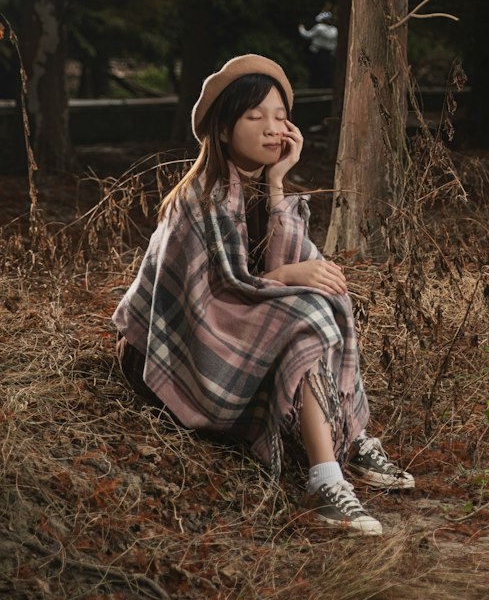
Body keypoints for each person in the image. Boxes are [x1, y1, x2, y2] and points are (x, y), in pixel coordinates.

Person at [112, 53, 412, 535]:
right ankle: (330, 475)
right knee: (309, 312)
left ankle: (343, 451)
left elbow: (282, 275)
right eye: (255, 117)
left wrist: (277, 186)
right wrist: (294, 274)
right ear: (225, 130)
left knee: (324, 302)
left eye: (279, 116)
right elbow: (215, 298)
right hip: (174, 346)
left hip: (233, 324)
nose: (273, 128)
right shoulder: (199, 200)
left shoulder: (263, 188)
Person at [298, 11, 338, 87]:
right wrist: (333, 53)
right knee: (326, 70)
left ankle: (314, 85)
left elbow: (307, 35)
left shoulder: (319, 28)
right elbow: (334, 44)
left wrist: (301, 28)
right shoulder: (335, 30)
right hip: (328, 53)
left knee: (315, 70)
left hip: (317, 52)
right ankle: (325, 86)